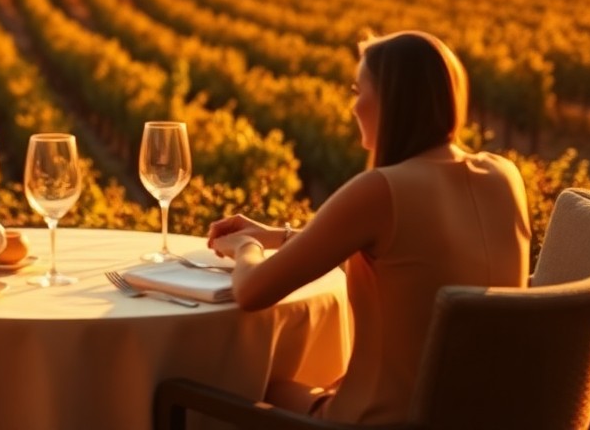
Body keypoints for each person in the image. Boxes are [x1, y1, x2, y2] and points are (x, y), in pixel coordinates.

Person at [207, 30, 530, 424]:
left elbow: (251, 291)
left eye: (359, 89)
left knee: (249, 384)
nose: (352, 105)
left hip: (386, 419)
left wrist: (244, 247)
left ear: (390, 101)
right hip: (488, 414)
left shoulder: (382, 190)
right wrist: (277, 237)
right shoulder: (504, 175)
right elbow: (413, 262)